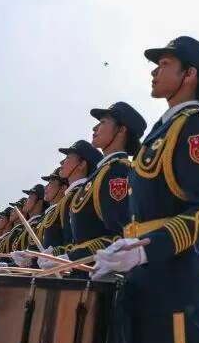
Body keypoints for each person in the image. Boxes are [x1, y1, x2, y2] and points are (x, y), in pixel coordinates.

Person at [92, 36, 199, 343]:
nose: (154, 71)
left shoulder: (195, 127)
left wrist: (145, 249)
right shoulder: (160, 132)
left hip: (177, 288)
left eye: (164, 64)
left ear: (189, 74)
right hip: (146, 286)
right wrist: (124, 247)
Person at [44, 102, 144, 268]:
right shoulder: (101, 174)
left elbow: (120, 236)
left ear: (121, 130)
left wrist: (71, 257)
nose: (95, 128)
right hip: (86, 271)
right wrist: (58, 254)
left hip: (103, 276)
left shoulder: (117, 171)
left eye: (103, 122)